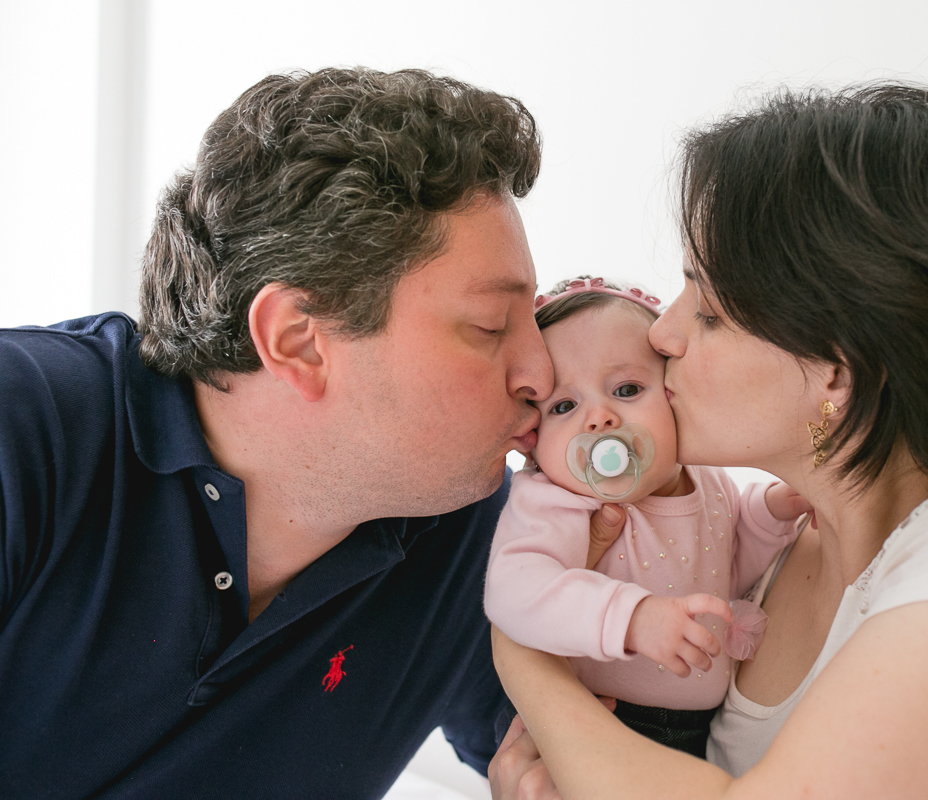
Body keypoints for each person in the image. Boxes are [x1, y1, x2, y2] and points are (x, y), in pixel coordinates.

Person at [488, 83, 928, 799]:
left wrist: (527, 662)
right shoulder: (767, 565)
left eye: (707, 311)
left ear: (838, 367)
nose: (662, 334)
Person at [0, 67, 557, 799]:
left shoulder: (474, 541)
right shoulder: (25, 430)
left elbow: (594, 765)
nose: (542, 374)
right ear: (298, 340)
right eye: (490, 326)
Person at [483, 276, 807, 756]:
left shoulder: (705, 477)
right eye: (565, 406)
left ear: (673, 392)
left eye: (627, 388)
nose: (599, 419)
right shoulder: (557, 498)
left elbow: (730, 566)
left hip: (699, 726)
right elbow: (515, 591)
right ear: (533, 441)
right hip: (600, 716)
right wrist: (631, 619)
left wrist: (772, 511)